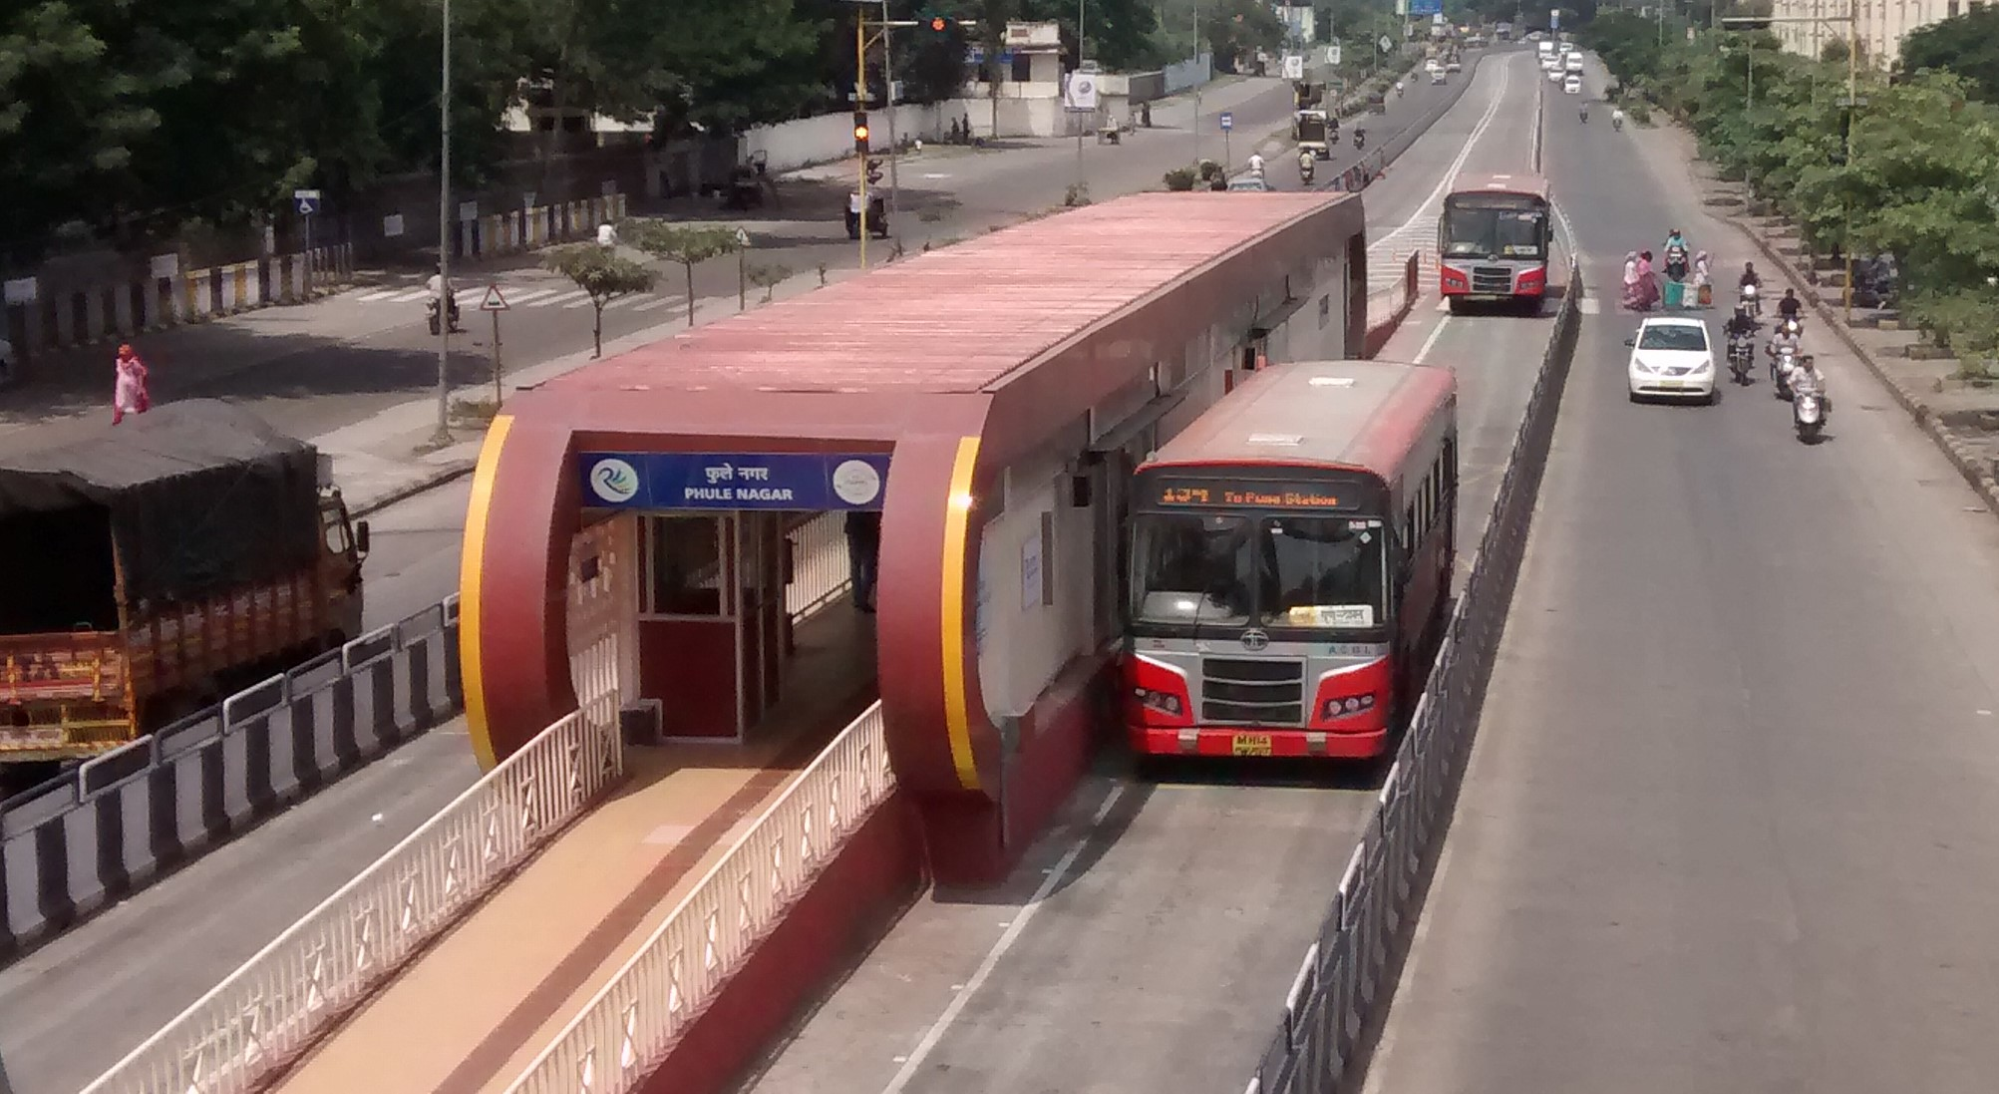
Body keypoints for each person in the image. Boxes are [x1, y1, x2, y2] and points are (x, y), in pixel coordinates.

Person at [844, 510, 882, 614]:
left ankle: (858, 598)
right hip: (870, 531)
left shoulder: (853, 499)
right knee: (868, 566)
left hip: (854, 530)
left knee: (855, 565)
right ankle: (862, 599)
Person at [112, 343, 150, 425]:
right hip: (121, 386)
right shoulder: (118, 362)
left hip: (131, 386)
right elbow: (123, 368)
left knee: (132, 400)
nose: (122, 356)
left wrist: (140, 386)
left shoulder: (134, 363)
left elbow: (142, 372)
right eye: (121, 354)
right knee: (119, 400)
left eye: (124, 355)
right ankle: (117, 417)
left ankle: (139, 410)